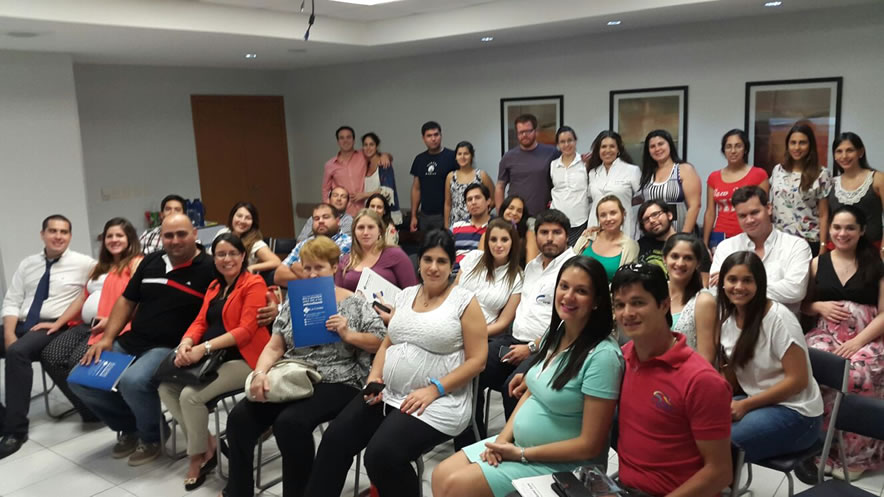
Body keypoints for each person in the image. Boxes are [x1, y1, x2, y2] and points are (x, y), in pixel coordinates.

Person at [71, 213, 277, 466]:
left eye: (182, 234)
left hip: (168, 346)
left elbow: (244, 290)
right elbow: (126, 300)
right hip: (132, 339)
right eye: (169, 235)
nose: (175, 240)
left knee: (133, 382)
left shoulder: (210, 266)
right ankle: (132, 427)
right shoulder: (150, 261)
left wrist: (271, 304)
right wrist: (107, 338)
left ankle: (151, 438)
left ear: (194, 234)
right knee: (81, 380)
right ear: (161, 238)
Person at [303, 230, 487, 497]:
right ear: (419, 262)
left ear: (451, 266)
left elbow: (478, 361)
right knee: (334, 439)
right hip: (388, 393)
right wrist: (374, 378)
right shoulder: (407, 295)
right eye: (428, 259)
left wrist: (434, 389)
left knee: (381, 456)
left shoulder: (464, 302)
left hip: (438, 400)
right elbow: (388, 343)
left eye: (441, 261)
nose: (433, 267)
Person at [433, 256, 624, 497]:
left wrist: (521, 454)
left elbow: (590, 445)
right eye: (564, 286)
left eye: (581, 291)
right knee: (440, 475)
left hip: (563, 465)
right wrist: (502, 440)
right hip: (521, 448)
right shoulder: (557, 332)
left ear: (597, 301)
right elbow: (532, 393)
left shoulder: (603, 356)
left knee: (455, 486)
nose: (568, 296)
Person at [222, 236, 386, 497]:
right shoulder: (294, 302)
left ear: (334, 267)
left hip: (339, 378)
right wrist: (260, 373)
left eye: (319, 267)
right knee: (239, 418)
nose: (311, 274)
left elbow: (380, 342)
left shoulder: (355, 303)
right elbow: (275, 346)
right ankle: (238, 491)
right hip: (294, 372)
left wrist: (348, 334)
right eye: (307, 268)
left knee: (290, 423)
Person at [159, 232, 271, 490]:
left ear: (243, 256)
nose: (227, 259)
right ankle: (208, 445)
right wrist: (186, 343)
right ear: (214, 258)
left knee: (190, 396)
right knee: (166, 387)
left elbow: (245, 331)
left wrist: (203, 348)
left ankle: (196, 457)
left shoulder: (253, 283)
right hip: (214, 358)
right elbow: (200, 321)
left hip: (246, 359)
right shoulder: (214, 287)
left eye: (233, 253)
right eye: (221, 254)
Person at [611, 263, 733, 496]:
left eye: (638, 303)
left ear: (664, 304)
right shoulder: (623, 358)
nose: (627, 313)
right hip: (623, 488)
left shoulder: (700, 380)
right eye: (619, 305)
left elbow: (720, 472)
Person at [470, 210, 574, 446]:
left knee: (513, 386)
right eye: (544, 232)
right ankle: (472, 442)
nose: (549, 238)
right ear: (535, 236)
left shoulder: (573, 268)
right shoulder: (532, 266)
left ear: (567, 236)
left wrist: (532, 347)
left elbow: (570, 323)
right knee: (471, 370)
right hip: (513, 340)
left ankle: (515, 449)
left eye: (556, 232)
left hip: (549, 348)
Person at [800, 205, 884, 481]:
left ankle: (856, 457)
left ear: (862, 231)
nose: (842, 233)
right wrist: (819, 306)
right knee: (817, 369)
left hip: (866, 336)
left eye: (850, 228)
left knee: (859, 377)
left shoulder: (876, 264)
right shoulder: (818, 263)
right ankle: (821, 448)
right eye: (837, 227)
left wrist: (857, 342)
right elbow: (805, 305)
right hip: (826, 334)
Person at [0, 215, 95, 458]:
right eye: (53, 231)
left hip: (53, 326)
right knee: (14, 345)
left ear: (70, 236)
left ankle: (15, 431)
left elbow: (102, 285)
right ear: (42, 234)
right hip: (21, 323)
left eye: (64, 232)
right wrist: (9, 333)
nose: (58, 236)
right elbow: (12, 300)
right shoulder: (27, 264)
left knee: (17, 352)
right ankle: (3, 417)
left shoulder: (84, 263)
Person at [715, 251, 824, 462]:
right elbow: (734, 376)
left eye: (747, 280)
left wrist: (745, 405)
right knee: (696, 428)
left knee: (719, 444)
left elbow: (798, 381)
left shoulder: (779, 319)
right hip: (757, 401)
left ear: (760, 284)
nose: (739, 286)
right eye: (732, 279)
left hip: (797, 413)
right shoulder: (727, 319)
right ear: (722, 283)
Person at [39, 218, 143, 426]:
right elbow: (82, 298)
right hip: (88, 325)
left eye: (119, 235)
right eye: (109, 236)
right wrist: (58, 323)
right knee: (51, 355)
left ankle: (104, 407)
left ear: (129, 239)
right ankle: (90, 409)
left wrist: (113, 320)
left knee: (78, 362)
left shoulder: (136, 263)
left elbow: (141, 298)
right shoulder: (100, 267)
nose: (114, 240)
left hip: (116, 326)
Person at [711, 186, 812, 315]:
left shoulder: (796, 246)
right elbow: (714, 290)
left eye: (754, 213)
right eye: (742, 216)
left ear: (769, 208)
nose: (749, 220)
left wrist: (737, 285)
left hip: (781, 323)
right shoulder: (726, 247)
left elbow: (795, 290)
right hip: (735, 322)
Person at [770, 123, 832, 256]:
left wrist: (823, 246)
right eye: (793, 143)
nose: (797, 147)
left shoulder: (822, 174)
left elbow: (824, 214)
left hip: (808, 241)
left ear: (810, 146)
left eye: (802, 143)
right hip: (779, 241)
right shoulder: (778, 170)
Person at [703, 129, 769, 251]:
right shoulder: (714, 177)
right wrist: (704, 243)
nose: (733, 151)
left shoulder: (759, 174)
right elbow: (710, 212)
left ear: (745, 149)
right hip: (720, 236)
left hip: (749, 235)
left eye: (738, 146)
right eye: (728, 147)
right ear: (724, 150)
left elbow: (764, 210)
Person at [455, 218, 523, 337]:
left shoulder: (517, 277)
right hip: (452, 321)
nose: (498, 245)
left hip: (481, 334)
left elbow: (503, 323)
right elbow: (452, 293)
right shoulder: (473, 257)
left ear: (513, 242)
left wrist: (473, 334)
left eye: (504, 240)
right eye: (493, 239)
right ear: (487, 241)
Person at [335, 209, 417, 292]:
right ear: (354, 232)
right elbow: (337, 294)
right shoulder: (345, 261)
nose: (365, 232)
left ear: (379, 231)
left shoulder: (396, 255)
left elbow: (412, 293)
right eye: (361, 228)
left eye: (371, 227)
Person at [827, 132, 884, 250]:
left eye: (850, 150)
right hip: (838, 250)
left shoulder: (878, 179)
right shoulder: (831, 183)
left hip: (872, 250)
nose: (844, 156)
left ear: (860, 152)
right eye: (839, 151)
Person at [496, 114, 559, 218]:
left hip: (543, 214)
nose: (524, 135)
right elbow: (500, 186)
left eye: (528, 131)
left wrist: (581, 160)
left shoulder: (551, 152)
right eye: (521, 132)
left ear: (535, 131)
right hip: (516, 215)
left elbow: (567, 165)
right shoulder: (508, 157)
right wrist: (500, 213)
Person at [639, 129, 702, 234]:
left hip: (679, 230)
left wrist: (683, 236)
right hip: (654, 232)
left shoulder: (684, 169)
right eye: (652, 146)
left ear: (670, 145)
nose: (657, 149)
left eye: (661, 144)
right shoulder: (648, 174)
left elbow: (694, 206)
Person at [637, 200, 710, 286]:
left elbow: (704, 281)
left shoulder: (693, 243)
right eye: (646, 219)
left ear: (669, 215)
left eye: (655, 214)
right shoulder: (639, 246)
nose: (652, 220)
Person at [664, 234, 716, 356]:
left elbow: (706, 358)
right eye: (675, 256)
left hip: (687, 368)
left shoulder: (704, 301)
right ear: (664, 258)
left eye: (688, 258)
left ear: (697, 263)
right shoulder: (655, 292)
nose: (680, 263)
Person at [275, 203, 352, 284]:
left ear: (338, 221)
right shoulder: (304, 243)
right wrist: (316, 276)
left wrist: (295, 267)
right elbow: (278, 276)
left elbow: (335, 276)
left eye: (326, 217)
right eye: (316, 218)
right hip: (299, 292)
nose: (320, 221)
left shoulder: (348, 243)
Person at [586, 130, 641, 239]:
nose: (607, 150)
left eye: (612, 146)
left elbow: (641, 200)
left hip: (623, 227)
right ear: (598, 150)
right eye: (603, 147)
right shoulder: (593, 173)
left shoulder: (632, 170)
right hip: (596, 227)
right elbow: (590, 200)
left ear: (618, 149)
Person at [573, 195, 639, 282]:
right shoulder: (587, 236)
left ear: (623, 214)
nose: (608, 219)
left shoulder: (631, 246)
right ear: (598, 219)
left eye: (613, 213)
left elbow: (627, 282)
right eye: (603, 215)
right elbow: (569, 266)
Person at [410, 121, 458, 232]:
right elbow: (416, 189)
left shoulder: (452, 157)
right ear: (423, 138)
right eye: (429, 136)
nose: (433, 139)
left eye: (436, 135)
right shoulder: (419, 159)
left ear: (441, 135)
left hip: (448, 214)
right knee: (426, 243)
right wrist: (413, 216)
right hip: (425, 215)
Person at [213, 202, 280, 273]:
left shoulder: (255, 243)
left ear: (253, 222)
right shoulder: (223, 232)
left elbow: (276, 261)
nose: (242, 221)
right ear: (232, 217)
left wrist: (251, 268)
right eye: (239, 216)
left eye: (248, 218)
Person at [549, 126, 589, 245]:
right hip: (557, 220)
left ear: (575, 141)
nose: (566, 144)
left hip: (579, 220)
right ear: (558, 145)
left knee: (577, 253)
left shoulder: (585, 163)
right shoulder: (553, 165)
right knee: (558, 252)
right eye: (562, 141)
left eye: (570, 140)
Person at [444, 141, 495, 228]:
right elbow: (448, 204)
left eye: (466, 154)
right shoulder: (450, 176)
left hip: (478, 223)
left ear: (472, 156)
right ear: (456, 157)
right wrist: (446, 226)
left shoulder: (481, 175)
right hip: (456, 223)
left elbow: (493, 199)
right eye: (459, 154)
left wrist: (483, 212)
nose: (462, 157)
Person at [478, 195, 538, 267]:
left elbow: (531, 266)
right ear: (504, 209)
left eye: (519, 211)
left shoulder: (528, 235)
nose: (514, 213)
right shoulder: (488, 234)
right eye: (511, 208)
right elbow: (480, 265)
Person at [322, 126, 369, 216]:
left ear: (353, 140)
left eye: (348, 137)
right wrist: (328, 210)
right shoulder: (330, 165)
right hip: (343, 213)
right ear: (338, 142)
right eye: (342, 138)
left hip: (365, 210)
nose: (345, 140)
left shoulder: (364, 155)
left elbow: (377, 156)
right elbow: (325, 190)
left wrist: (386, 156)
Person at [359, 132, 403, 226]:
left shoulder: (384, 164)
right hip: (370, 214)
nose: (368, 148)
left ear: (377, 146)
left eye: (371, 144)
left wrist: (364, 195)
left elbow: (387, 191)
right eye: (365, 145)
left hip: (385, 215)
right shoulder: (364, 165)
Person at [451, 183, 493, 269]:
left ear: (488, 201)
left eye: (477, 198)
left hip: (483, 273)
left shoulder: (497, 227)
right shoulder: (456, 227)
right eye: (469, 199)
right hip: (455, 272)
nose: (473, 202)